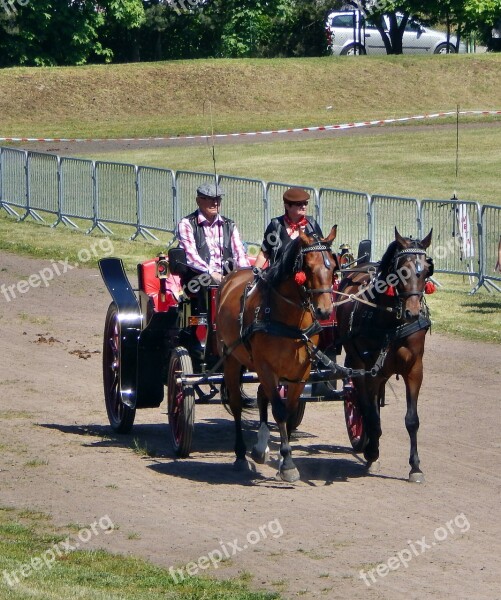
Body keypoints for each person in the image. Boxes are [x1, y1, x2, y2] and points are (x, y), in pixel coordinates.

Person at [177, 181, 250, 301]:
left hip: (227, 277)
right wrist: (212, 273)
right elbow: (191, 258)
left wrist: (246, 275)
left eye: (218, 199)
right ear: (198, 201)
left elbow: (239, 254)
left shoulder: (229, 225)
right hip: (198, 278)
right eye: (210, 199)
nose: (215, 203)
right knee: (208, 282)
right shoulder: (187, 224)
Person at [254, 187, 323, 269]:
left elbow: (323, 251)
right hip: (278, 277)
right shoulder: (275, 226)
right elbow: (264, 254)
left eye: (305, 203)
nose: (304, 206)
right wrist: (255, 273)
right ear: (287, 206)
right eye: (299, 204)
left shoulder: (312, 225)